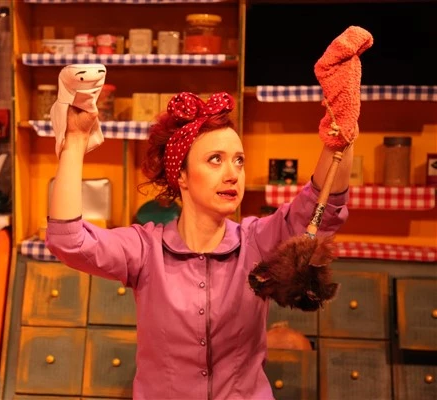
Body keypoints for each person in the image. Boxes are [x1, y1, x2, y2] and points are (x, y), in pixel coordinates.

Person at [46, 91, 352, 400]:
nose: (232, 175)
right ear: (182, 175)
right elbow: (68, 239)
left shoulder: (257, 241)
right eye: (215, 160)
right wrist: (74, 142)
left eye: (239, 161)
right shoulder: (146, 249)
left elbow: (322, 207)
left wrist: (343, 126)